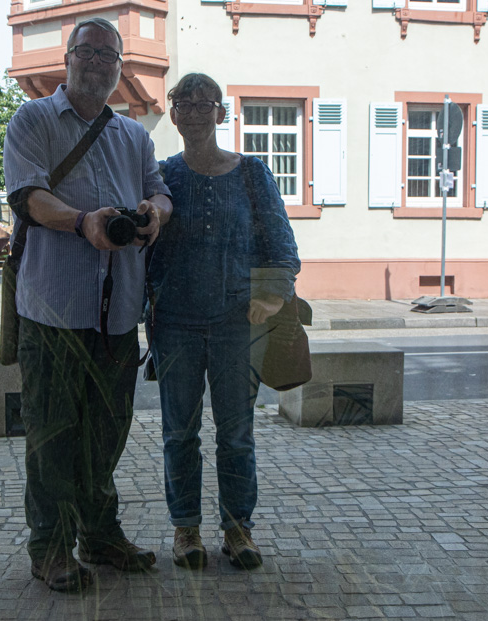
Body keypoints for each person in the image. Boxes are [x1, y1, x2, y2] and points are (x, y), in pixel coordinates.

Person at [2, 18, 173, 592]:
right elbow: (28, 197)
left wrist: (152, 214)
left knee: (107, 432)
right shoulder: (33, 120)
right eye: (88, 51)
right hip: (53, 309)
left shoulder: (133, 136)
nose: (98, 61)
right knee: (51, 435)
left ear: (120, 68)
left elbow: (161, 192)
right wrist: (84, 223)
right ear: (68, 58)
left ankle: (99, 536)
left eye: (109, 54)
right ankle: (48, 549)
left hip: (118, 313)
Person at [148, 73, 300, 570]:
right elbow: (146, 253)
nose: (193, 112)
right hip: (175, 323)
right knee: (179, 433)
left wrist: (273, 296)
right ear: (173, 114)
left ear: (220, 111)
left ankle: (239, 530)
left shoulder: (251, 173)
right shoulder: (161, 176)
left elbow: (280, 242)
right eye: (183, 104)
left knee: (236, 434)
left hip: (239, 321)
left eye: (203, 104)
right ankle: (185, 529)